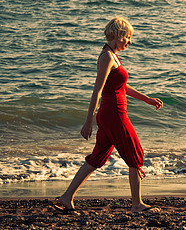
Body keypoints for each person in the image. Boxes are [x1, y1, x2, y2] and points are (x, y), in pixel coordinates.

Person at [55, 17, 163, 214]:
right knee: (135, 153)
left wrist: (146, 99)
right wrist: (88, 121)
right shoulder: (106, 57)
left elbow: (121, 86)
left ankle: (66, 197)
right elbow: (97, 90)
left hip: (112, 114)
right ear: (118, 35)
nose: (129, 42)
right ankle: (137, 204)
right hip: (114, 115)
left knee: (97, 157)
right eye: (127, 37)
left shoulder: (113, 55)